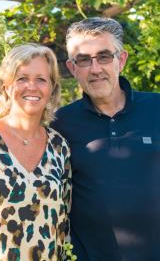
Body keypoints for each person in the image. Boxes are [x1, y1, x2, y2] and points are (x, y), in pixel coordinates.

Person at [51, 17, 160, 261]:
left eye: (104, 56)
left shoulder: (158, 108)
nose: (95, 68)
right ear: (72, 67)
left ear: (121, 60)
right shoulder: (58, 125)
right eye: (83, 59)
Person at [0, 43, 72, 261]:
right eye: (22, 78)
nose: (32, 87)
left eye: (41, 79)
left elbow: (63, 227)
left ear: (52, 89)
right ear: (6, 86)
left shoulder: (59, 147)